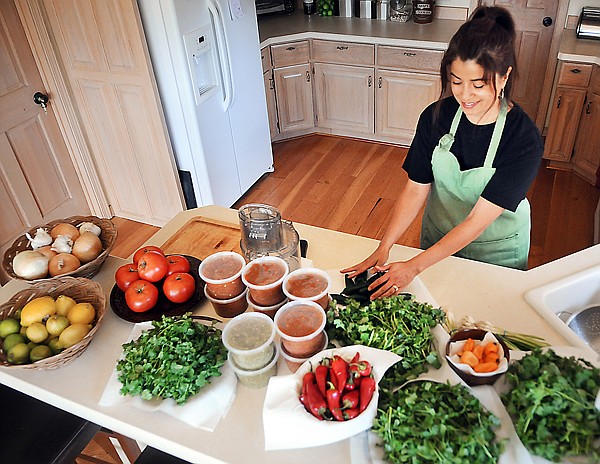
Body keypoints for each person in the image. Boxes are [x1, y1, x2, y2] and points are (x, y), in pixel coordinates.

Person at [341, 6, 543, 299]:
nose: (465, 95)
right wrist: (384, 247)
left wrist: (413, 267)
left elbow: (477, 220)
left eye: (478, 84)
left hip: (496, 253)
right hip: (437, 242)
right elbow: (416, 187)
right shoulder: (436, 117)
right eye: (456, 81)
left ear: (504, 77)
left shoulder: (523, 139)